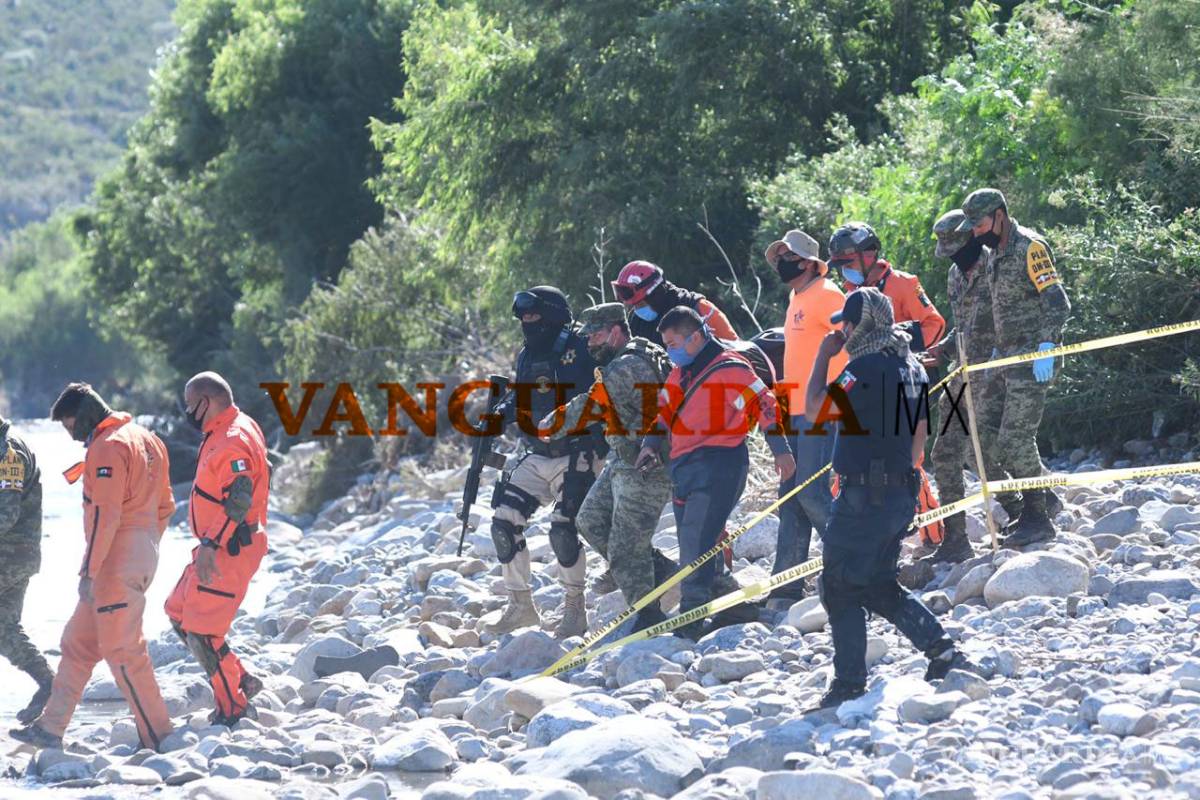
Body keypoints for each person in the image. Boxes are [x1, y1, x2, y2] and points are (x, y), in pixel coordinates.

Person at [805, 289, 973, 709]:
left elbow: (812, 410)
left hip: (865, 495)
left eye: (847, 321)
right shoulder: (912, 366)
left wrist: (824, 357)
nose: (841, 329)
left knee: (839, 585)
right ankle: (941, 650)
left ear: (862, 325)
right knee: (878, 584)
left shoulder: (860, 368)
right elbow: (919, 445)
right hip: (900, 493)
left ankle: (848, 683)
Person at [12, 384, 174, 750]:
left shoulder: (107, 447)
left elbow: (105, 515)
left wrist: (89, 571)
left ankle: (160, 739)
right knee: (78, 643)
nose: (72, 436)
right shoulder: (147, 439)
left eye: (71, 426)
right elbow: (165, 506)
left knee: (123, 652)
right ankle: (50, 729)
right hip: (139, 553)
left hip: (112, 563)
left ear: (84, 415)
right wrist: (144, 550)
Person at [636, 306, 796, 639]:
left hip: (720, 464)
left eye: (673, 342)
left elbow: (765, 404)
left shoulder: (732, 369)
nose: (669, 350)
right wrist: (649, 444)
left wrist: (781, 451)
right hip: (684, 467)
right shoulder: (681, 373)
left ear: (695, 337)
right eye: (665, 343)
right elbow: (663, 410)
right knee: (693, 541)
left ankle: (690, 623)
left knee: (696, 542)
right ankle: (729, 606)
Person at [541, 303, 676, 631]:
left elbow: (590, 405)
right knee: (589, 521)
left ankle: (648, 617)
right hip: (624, 457)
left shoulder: (625, 366)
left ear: (617, 330)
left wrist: (549, 425)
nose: (590, 343)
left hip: (648, 463)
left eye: (597, 335)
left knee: (624, 548)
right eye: (587, 337)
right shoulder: (631, 355)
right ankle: (664, 574)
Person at [485, 286, 604, 638]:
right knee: (503, 524)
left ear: (553, 315)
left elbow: (602, 395)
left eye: (533, 315)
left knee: (563, 530)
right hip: (537, 454)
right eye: (522, 317)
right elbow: (519, 399)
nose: (526, 321)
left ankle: (574, 610)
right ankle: (521, 607)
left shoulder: (582, 347)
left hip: (579, 452)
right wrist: (499, 417)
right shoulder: (526, 355)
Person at [957, 188, 1071, 546]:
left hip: (1033, 361)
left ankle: (1038, 519)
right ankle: (1038, 499)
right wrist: (990, 350)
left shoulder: (1029, 247)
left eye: (979, 223)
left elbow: (1058, 302)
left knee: (1015, 439)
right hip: (1003, 360)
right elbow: (995, 309)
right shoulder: (994, 254)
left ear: (1000, 215)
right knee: (978, 439)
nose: (975, 231)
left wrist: (1047, 344)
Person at [830, 221, 947, 548]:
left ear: (869, 255)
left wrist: (895, 337)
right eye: (839, 265)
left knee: (911, 461)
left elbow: (935, 324)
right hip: (869, 387)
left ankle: (933, 535)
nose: (844, 271)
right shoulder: (850, 295)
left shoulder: (903, 283)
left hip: (904, 380)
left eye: (848, 263)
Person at [165, 372, 269, 726]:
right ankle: (239, 678)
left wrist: (211, 545)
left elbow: (240, 496)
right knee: (178, 611)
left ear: (206, 402)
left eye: (190, 404)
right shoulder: (234, 425)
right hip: (218, 541)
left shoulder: (231, 440)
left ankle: (233, 708)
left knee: (203, 633)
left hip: (229, 547)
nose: (187, 412)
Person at [926, 210, 1020, 563]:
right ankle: (955, 539)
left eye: (956, 247)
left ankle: (1022, 504)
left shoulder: (996, 268)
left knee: (980, 448)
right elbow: (963, 325)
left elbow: (1008, 321)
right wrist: (943, 349)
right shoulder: (954, 275)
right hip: (960, 373)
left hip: (992, 373)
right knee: (945, 452)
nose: (953, 255)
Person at [762, 229, 847, 606]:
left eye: (790, 257)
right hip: (794, 407)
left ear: (811, 263)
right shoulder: (797, 295)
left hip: (823, 408)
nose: (783, 262)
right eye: (780, 256)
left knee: (811, 492)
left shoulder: (828, 295)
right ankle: (785, 589)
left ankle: (857, 567)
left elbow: (853, 340)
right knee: (790, 496)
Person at [0, 417, 55, 724]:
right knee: (3, 629)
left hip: (9, 555)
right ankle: (50, 684)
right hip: (15, 556)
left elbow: (5, 514)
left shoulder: (8, 453)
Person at [611, 261, 738, 348]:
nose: (636, 309)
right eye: (633, 306)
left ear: (654, 295)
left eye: (639, 304)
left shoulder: (700, 308)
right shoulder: (635, 320)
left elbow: (737, 351)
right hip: (663, 386)